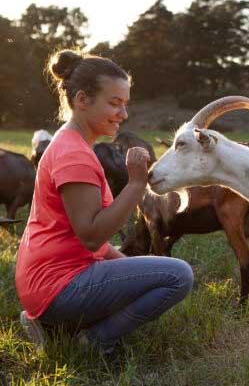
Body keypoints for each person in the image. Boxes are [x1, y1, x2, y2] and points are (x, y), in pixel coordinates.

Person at [16, 49, 193, 354]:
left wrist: (130, 267)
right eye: (114, 104)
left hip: (45, 280)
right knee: (179, 276)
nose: (123, 115)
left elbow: (81, 238)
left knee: (150, 270)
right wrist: (137, 184)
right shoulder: (74, 155)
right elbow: (90, 235)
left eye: (125, 104)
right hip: (58, 286)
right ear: (83, 100)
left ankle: (54, 324)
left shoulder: (69, 142)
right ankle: (97, 340)